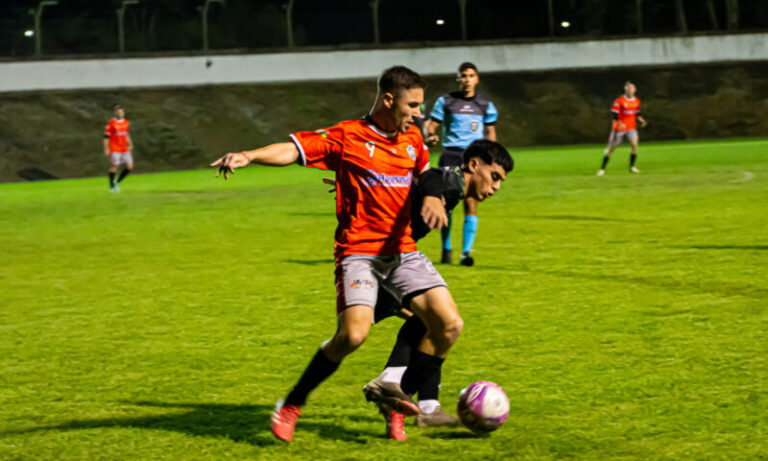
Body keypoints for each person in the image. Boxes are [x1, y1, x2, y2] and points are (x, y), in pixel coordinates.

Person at [210, 66, 464, 443]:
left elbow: (426, 173)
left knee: (448, 324)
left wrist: (433, 194)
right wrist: (249, 155)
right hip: (359, 253)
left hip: (402, 251)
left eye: (421, 106)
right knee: (352, 336)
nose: (418, 114)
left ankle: (395, 394)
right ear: (388, 99)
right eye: (412, 105)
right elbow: (293, 149)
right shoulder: (349, 136)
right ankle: (292, 402)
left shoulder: (412, 138)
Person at [365, 139, 513, 441]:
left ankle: (420, 404)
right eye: (494, 176)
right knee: (437, 322)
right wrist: (433, 195)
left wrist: (365, 186)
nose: (496, 187)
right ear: (474, 165)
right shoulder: (453, 181)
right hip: (380, 263)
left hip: (382, 260)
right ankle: (396, 389)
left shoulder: (452, 183)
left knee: (430, 322)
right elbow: (432, 177)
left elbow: (410, 182)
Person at [426, 62, 498, 267]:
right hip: (450, 155)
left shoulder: (485, 105)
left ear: (477, 79)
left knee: (471, 202)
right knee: (447, 205)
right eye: (463, 76)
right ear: (458, 79)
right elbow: (432, 127)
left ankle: (466, 253)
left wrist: (491, 158)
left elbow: (491, 133)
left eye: (471, 75)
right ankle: (446, 248)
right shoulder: (446, 102)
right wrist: (430, 136)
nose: (467, 80)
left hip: (475, 157)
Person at [597, 81, 647, 176]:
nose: (630, 90)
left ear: (635, 90)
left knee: (634, 145)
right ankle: (602, 169)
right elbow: (614, 115)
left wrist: (641, 120)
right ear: (626, 89)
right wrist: (620, 123)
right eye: (628, 88)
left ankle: (632, 167)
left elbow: (637, 113)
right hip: (620, 128)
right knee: (612, 148)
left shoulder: (636, 101)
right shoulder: (619, 100)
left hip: (631, 127)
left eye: (632, 88)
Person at [103, 104, 134, 192]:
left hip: (124, 148)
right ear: (115, 113)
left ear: (123, 113)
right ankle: (112, 187)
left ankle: (117, 182)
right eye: (118, 112)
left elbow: (126, 134)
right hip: (114, 148)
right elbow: (106, 137)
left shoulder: (126, 122)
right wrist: (106, 148)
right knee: (114, 166)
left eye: (121, 112)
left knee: (129, 166)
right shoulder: (111, 123)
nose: (120, 113)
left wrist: (130, 144)